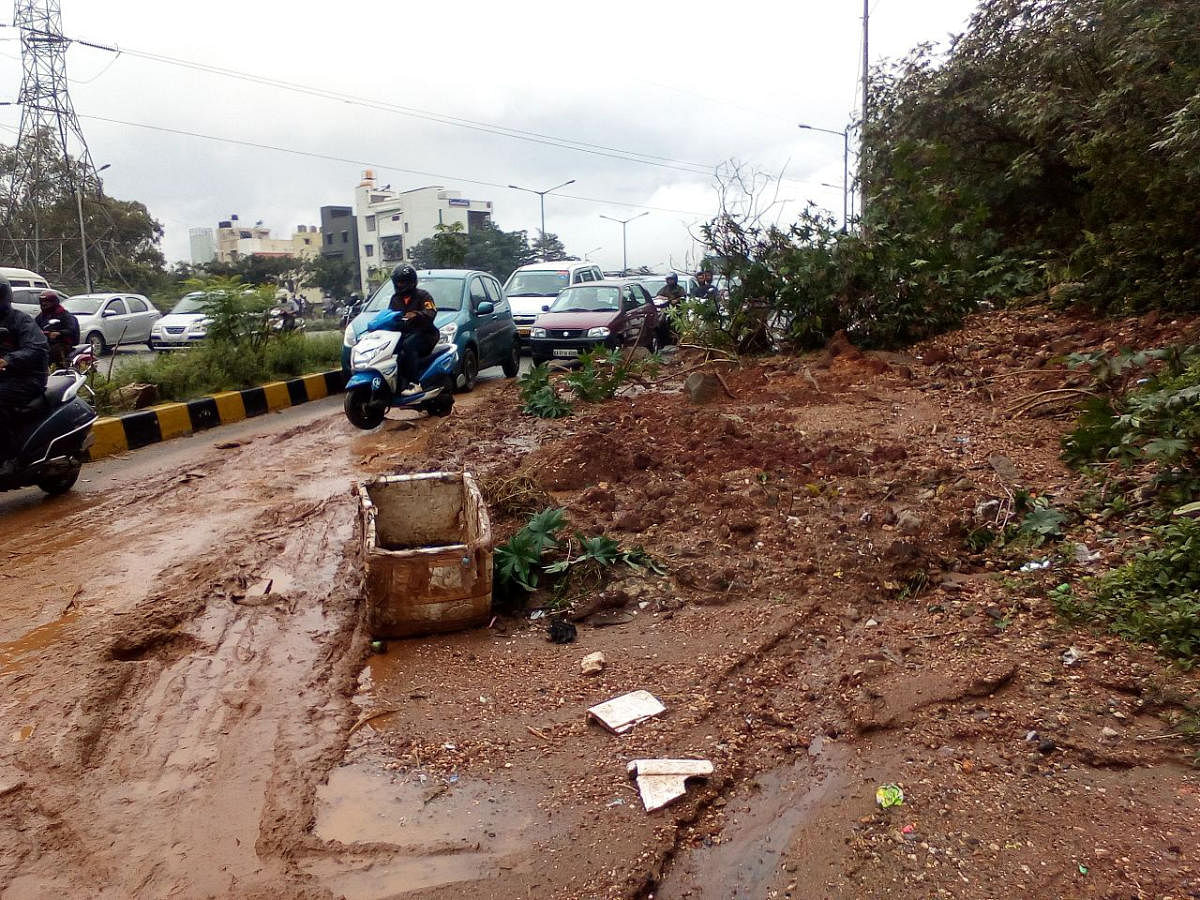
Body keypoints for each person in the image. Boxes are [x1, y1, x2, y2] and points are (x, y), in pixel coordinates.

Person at [0, 275, 50, 474]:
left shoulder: (21, 320)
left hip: (27, 378)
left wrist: (8, 360)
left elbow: (37, 348)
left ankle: (9, 457)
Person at [386, 264, 439, 395]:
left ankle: (415, 383)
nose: (398, 284)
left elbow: (431, 311)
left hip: (426, 334)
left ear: (410, 282)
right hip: (405, 334)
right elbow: (390, 315)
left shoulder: (423, 296)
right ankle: (396, 384)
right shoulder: (395, 299)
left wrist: (417, 314)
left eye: (401, 282)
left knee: (409, 345)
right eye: (397, 282)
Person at [34, 290, 79, 369]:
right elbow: (33, 327)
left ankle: (60, 370)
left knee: (54, 351)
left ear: (54, 302)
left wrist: (59, 333)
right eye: (42, 302)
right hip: (44, 343)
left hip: (62, 344)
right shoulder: (41, 317)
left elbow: (71, 329)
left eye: (46, 302)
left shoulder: (64, 315)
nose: (44, 304)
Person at [655, 274, 686, 347]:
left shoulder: (679, 288)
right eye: (668, 280)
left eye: (671, 279)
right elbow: (658, 295)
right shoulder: (665, 288)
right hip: (666, 309)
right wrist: (664, 299)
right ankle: (663, 341)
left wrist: (676, 300)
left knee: (678, 325)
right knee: (662, 322)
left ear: (675, 280)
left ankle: (678, 340)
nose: (670, 281)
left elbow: (683, 297)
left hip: (678, 310)